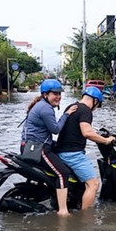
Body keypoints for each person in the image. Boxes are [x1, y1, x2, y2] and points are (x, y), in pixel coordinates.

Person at [22, 79, 78, 216]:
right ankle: (63, 210)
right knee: (62, 173)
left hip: (31, 146)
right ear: (46, 95)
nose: (58, 97)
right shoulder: (45, 109)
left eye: (59, 94)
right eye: (55, 94)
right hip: (38, 149)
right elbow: (55, 129)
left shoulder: (41, 105)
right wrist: (67, 114)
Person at [56, 87, 115, 210]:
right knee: (93, 184)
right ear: (95, 101)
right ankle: (86, 217)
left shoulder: (72, 107)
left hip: (61, 151)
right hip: (72, 154)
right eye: (97, 105)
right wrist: (106, 140)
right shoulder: (86, 111)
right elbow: (87, 132)